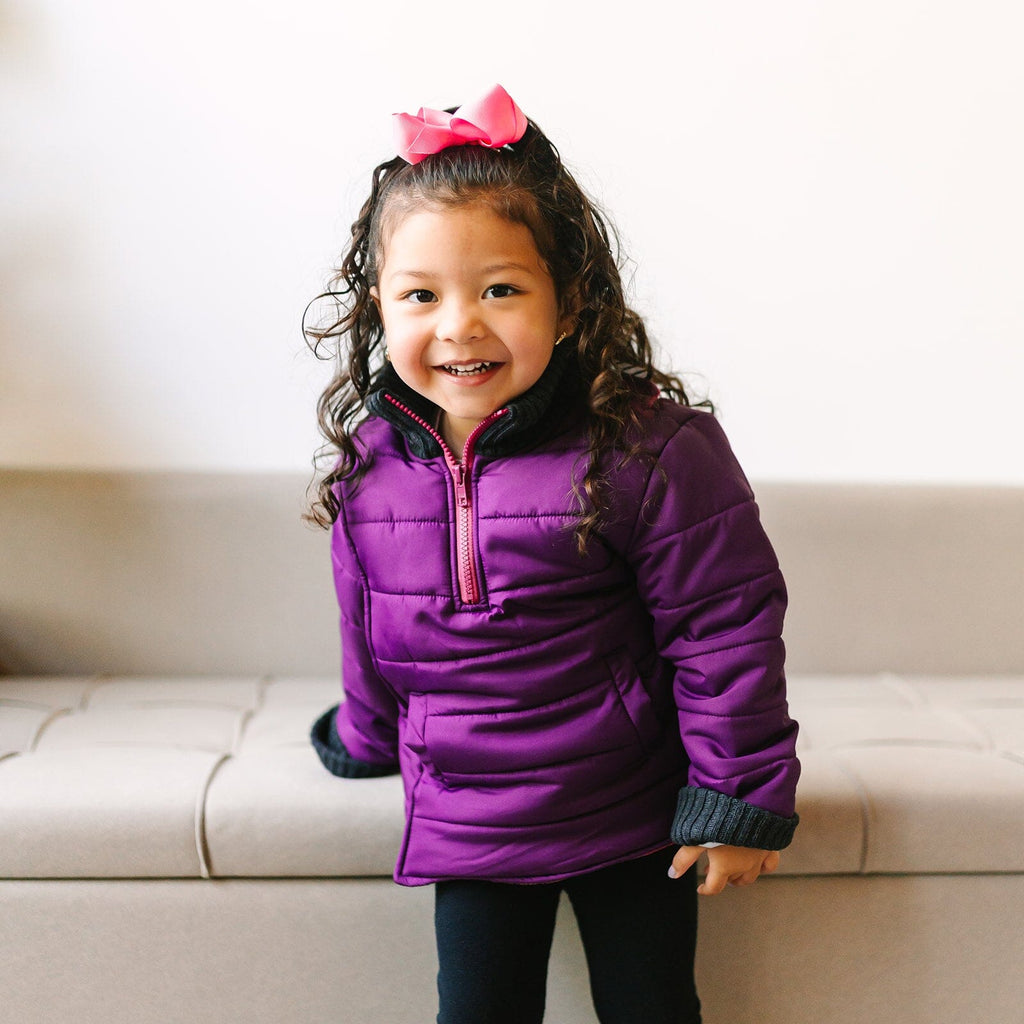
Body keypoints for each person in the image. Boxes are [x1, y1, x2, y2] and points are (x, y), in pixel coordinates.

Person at [306, 83, 800, 1024]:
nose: (459, 324)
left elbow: (726, 627)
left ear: (568, 301)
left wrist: (735, 799)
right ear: (378, 308)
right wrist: (363, 737)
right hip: (472, 819)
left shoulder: (649, 449)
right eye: (421, 295)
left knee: (650, 1007)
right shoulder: (371, 466)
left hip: (631, 806)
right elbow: (368, 622)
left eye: (499, 288)